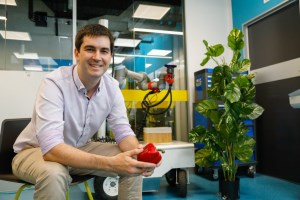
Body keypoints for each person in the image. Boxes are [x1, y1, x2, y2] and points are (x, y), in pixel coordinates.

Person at [12, 24, 159, 200]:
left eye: (104, 51)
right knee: (54, 173)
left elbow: (123, 132)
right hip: (35, 152)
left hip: (77, 148)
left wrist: (142, 156)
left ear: (110, 56)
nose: (97, 57)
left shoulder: (112, 88)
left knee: (133, 160)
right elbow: (51, 149)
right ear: (77, 53)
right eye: (90, 49)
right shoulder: (54, 83)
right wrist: (112, 164)